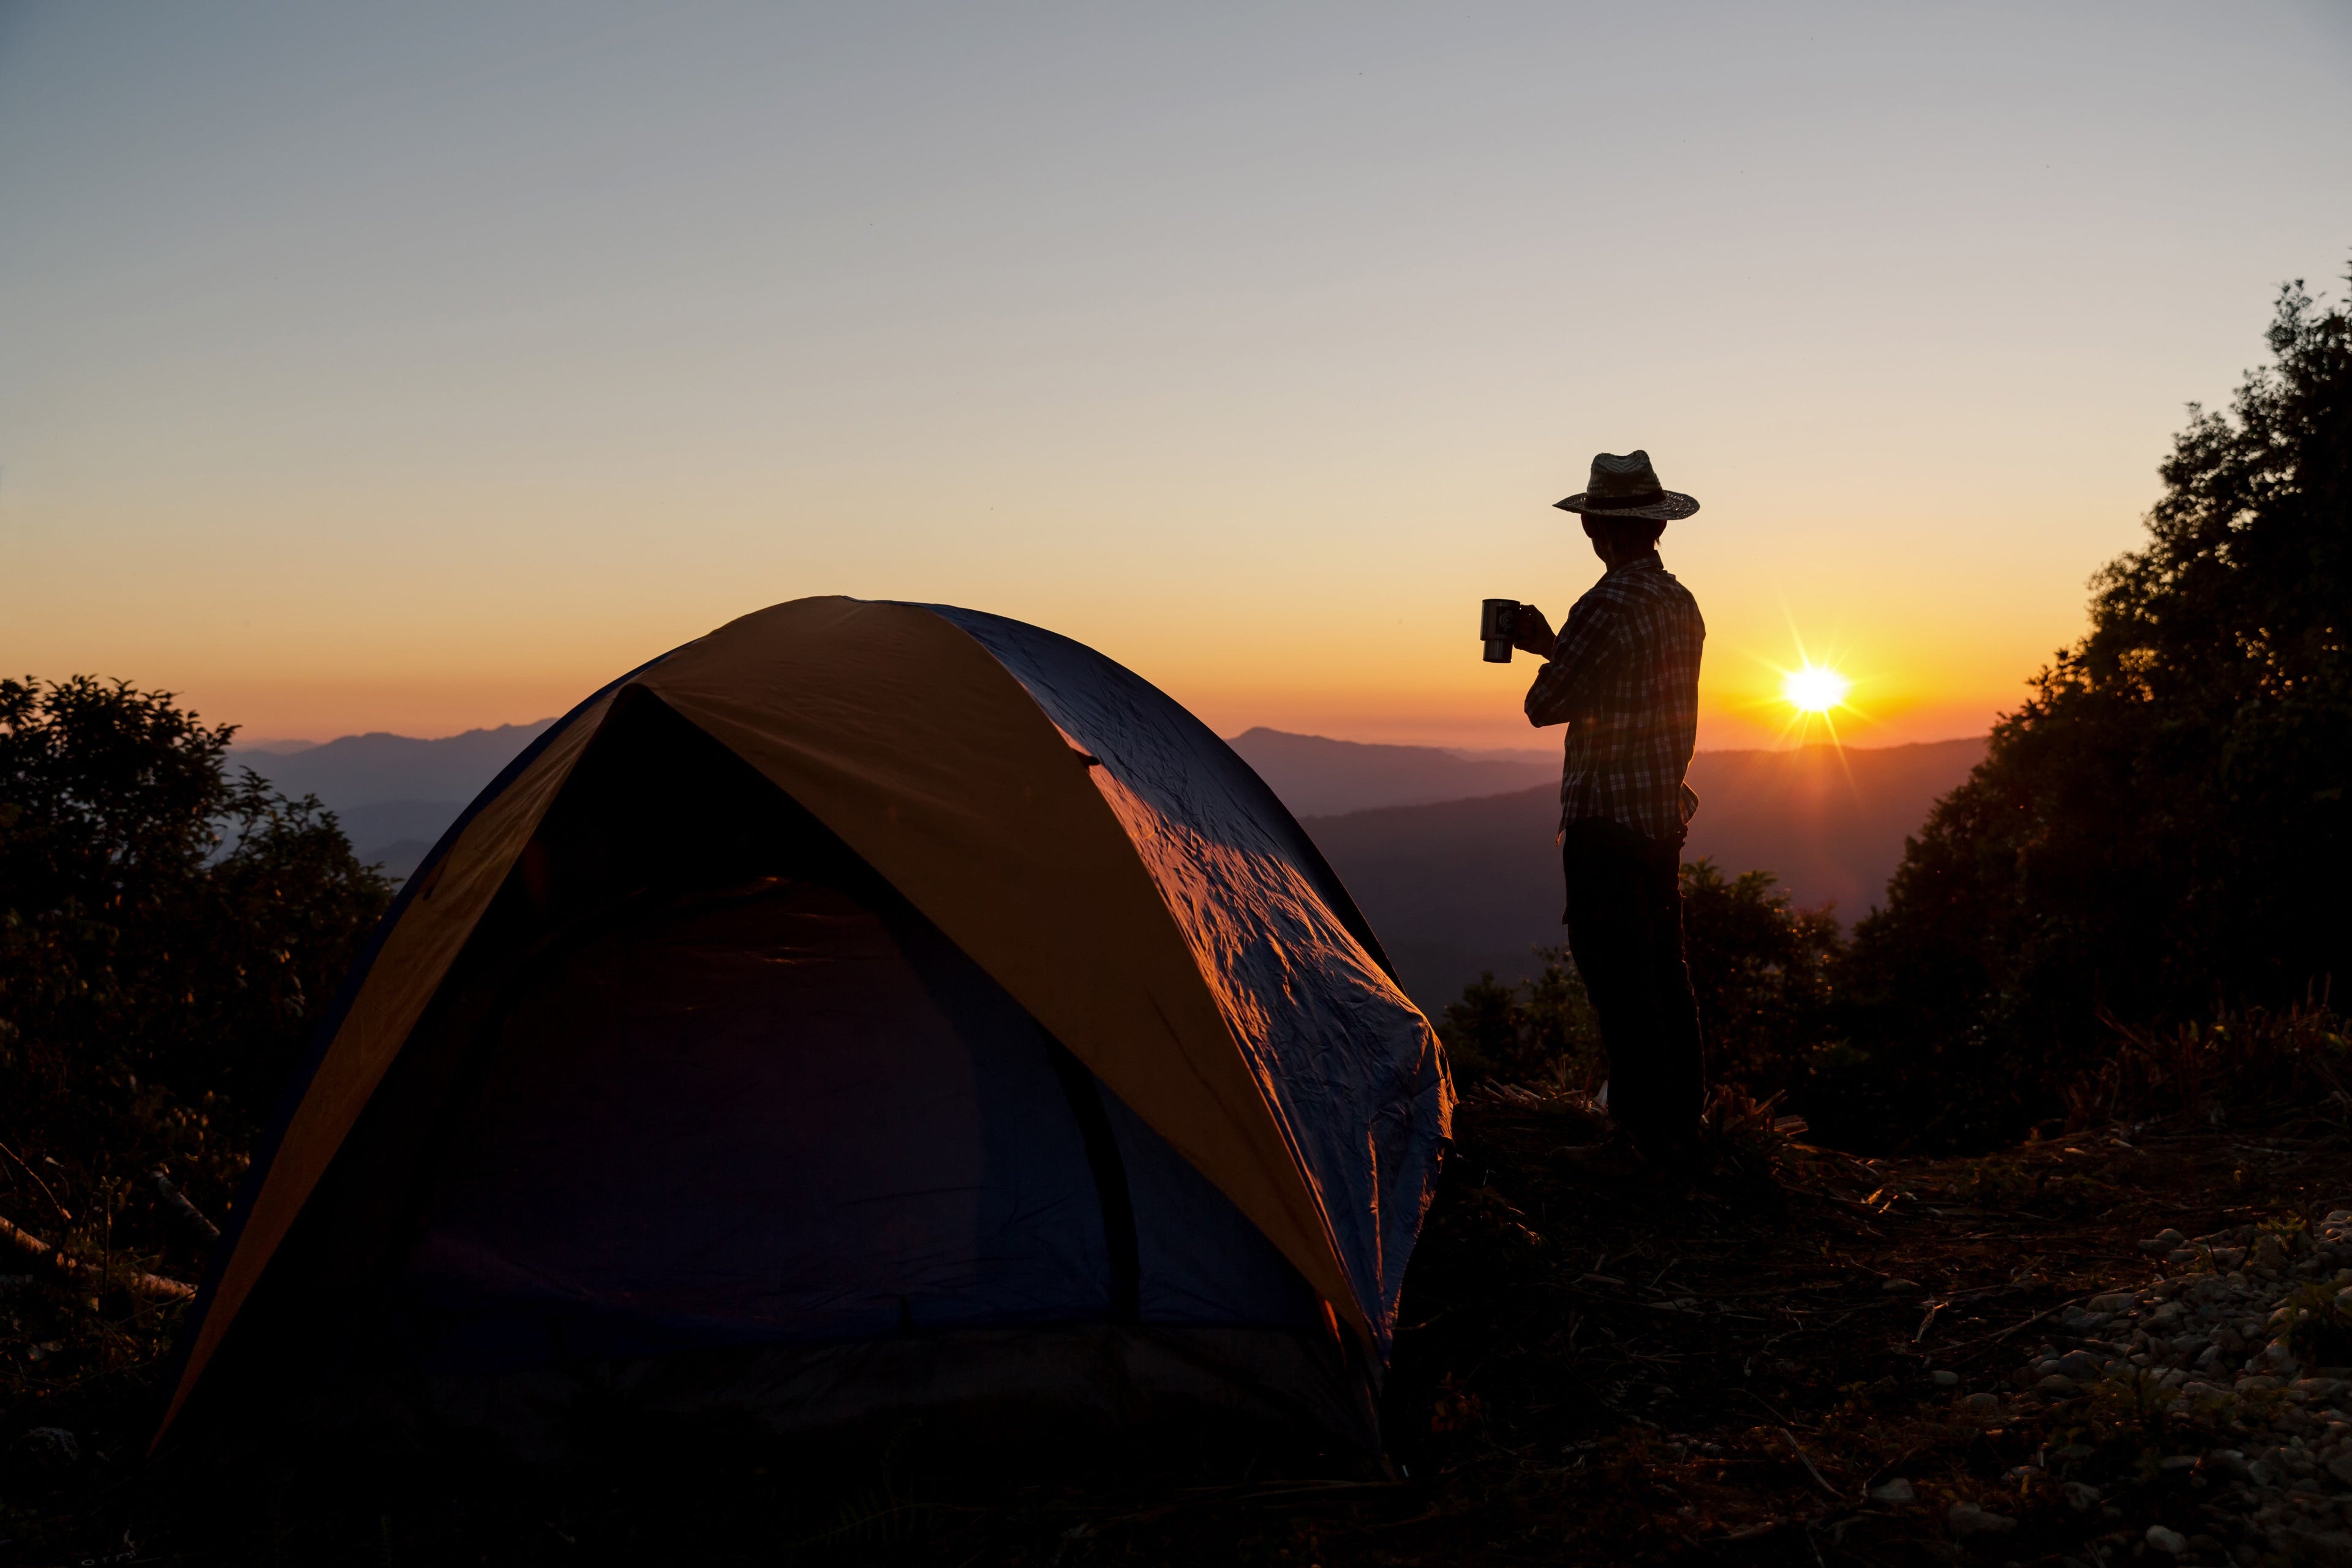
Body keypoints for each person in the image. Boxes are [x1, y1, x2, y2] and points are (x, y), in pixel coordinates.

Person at [1506, 450, 1706, 1172]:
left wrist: (1542, 657)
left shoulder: (1604, 604)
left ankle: (1637, 1139)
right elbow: (1628, 682)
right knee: (1665, 970)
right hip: (1660, 813)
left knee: (1619, 976)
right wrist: (1556, 645)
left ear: (1596, 527)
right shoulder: (1679, 604)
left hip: (1606, 815)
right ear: (1658, 526)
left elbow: (1547, 704)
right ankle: (1681, 1123)